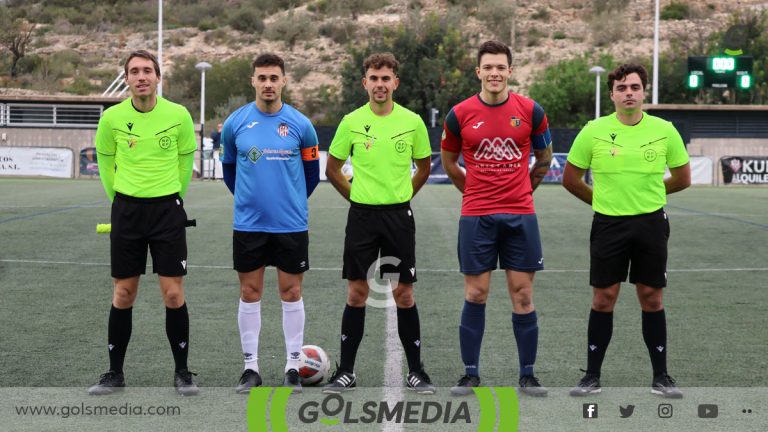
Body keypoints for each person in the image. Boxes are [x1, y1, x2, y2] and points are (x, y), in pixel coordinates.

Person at [562, 63, 690, 398]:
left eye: (634, 87)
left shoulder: (664, 130)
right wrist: (601, 201)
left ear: (644, 91)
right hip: (608, 224)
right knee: (604, 298)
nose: (628, 93)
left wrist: (652, 196)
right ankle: (591, 376)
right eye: (621, 88)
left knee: (652, 297)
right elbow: (571, 179)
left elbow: (682, 177)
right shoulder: (593, 130)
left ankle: (661, 377)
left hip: (650, 224)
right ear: (612, 95)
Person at [441, 40, 552, 397]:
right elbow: (448, 162)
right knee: (476, 294)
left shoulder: (531, 110)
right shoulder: (458, 114)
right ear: (478, 72)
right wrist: (474, 192)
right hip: (476, 216)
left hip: (521, 215)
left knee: (522, 294)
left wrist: (522, 189)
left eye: (500, 67)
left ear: (510, 70)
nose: (494, 73)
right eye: (488, 67)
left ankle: (528, 375)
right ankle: (470, 374)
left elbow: (544, 159)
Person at [323, 52, 434, 394]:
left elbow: (424, 166)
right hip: (362, 217)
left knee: (404, 293)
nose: (380, 84)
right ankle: (347, 371)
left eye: (386, 78)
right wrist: (358, 196)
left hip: (399, 216)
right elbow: (333, 168)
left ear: (395, 83)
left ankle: (416, 371)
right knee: (357, 293)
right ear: (365, 83)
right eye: (374, 78)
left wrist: (401, 196)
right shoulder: (351, 121)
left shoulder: (412, 122)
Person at [89, 50, 198, 396]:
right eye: (134, 71)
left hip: (167, 211)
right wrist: (118, 200)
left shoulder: (178, 115)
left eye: (147, 71)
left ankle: (182, 372)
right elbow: (106, 163)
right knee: (123, 293)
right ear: (127, 78)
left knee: (173, 293)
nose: (141, 77)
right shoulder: (112, 118)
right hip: (127, 211)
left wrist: (176, 198)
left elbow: (185, 160)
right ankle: (114, 373)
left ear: (158, 77)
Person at [220, 53, 320, 394]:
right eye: (262, 77)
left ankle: (293, 366)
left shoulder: (301, 125)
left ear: (283, 81)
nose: (268, 84)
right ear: (253, 81)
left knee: (291, 292)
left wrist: (289, 199)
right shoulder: (235, 123)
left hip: (291, 223)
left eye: (273, 78)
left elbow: (311, 174)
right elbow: (230, 171)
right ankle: (251, 368)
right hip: (249, 224)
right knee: (249, 293)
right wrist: (250, 199)